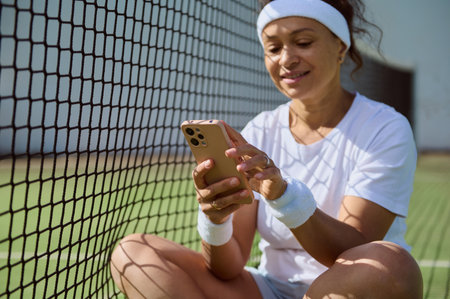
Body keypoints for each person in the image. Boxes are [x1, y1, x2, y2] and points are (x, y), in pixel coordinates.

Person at [109, 0, 423, 298]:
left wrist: (284, 197)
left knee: (391, 265)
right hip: (269, 289)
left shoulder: (385, 127)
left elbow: (353, 247)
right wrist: (216, 220)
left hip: (350, 288)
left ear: (340, 46)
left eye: (303, 42)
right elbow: (229, 267)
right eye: (273, 48)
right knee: (132, 254)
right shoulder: (260, 129)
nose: (286, 59)